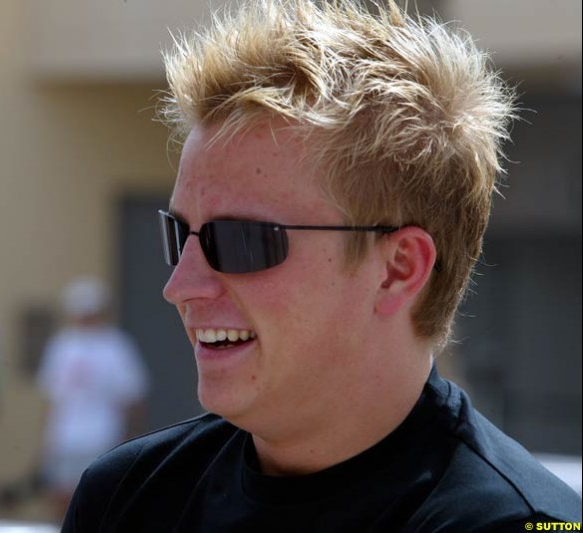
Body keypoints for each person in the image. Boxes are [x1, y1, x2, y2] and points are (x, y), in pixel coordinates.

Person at [61, 1, 582, 532]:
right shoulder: (126, 501)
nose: (180, 286)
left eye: (241, 241)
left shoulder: (515, 523)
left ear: (399, 269)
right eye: (180, 235)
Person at [37, 277, 148, 521]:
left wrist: (129, 441)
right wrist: (47, 441)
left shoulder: (115, 345)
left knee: (101, 498)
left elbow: (131, 400)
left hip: (102, 436)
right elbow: (54, 399)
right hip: (67, 437)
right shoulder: (63, 345)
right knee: (63, 497)